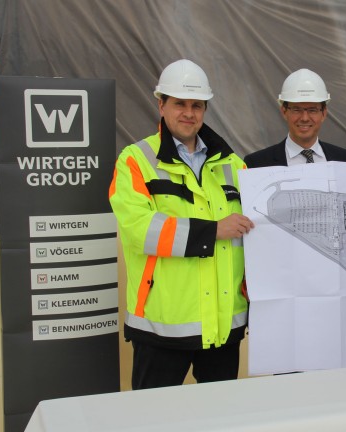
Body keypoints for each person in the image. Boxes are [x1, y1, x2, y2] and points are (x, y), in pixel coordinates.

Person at [109, 59, 254, 389]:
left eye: (197, 105)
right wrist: (214, 229)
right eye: (180, 104)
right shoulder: (135, 160)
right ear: (161, 104)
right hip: (162, 328)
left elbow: (263, 230)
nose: (189, 113)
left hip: (222, 327)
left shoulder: (234, 164)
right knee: (153, 421)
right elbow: (139, 231)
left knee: (219, 422)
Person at [244, 68, 346, 168]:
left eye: (312, 110)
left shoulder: (345, 160)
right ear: (284, 111)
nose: (304, 118)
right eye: (297, 110)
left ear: (323, 113)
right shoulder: (256, 164)